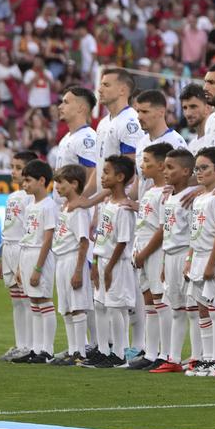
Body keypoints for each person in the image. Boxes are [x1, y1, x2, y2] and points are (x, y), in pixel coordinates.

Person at [128, 141, 177, 370]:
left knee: (160, 300)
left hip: (156, 252)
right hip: (143, 251)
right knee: (149, 300)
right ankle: (150, 351)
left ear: (160, 166)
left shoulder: (166, 194)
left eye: (147, 161)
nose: (142, 165)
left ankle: (166, 352)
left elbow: (162, 228)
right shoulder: (148, 191)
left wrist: (146, 252)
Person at [187, 147, 215, 378]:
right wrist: (190, 259)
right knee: (201, 309)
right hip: (198, 257)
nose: (199, 172)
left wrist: (211, 264)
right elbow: (195, 232)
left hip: (213, 258)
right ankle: (207, 357)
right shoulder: (199, 198)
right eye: (197, 168)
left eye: (204, 168)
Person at [92, 154, 138, 368]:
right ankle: (102, 350)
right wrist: (95, 262)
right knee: (99, 305)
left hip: (117, 264)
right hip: (101, 260)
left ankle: (119, 353)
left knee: (116, 307)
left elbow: (122, 241)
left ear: (120, 177)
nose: (102, 176)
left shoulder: (124, 208)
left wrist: (109, 267)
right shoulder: (106, 203)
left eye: (107, 172)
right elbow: (101, 234)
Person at [153, 149, 196, 374]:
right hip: (169, 255)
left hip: (184, 255)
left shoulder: (191, 197)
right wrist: (162, 262)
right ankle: (174, 357)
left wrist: (189, 259)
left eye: (171, 167)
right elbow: (166, 230)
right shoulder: (168, 196)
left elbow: (193, 232)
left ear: (186, 171)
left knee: (192, 308)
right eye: (165, 166)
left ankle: (199, 357)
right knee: (176, 308)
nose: (165, 171)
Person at [14, 159, 58, 364]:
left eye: (28, 181)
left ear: (42, 180)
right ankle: (36, 348)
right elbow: (27, 234)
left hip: (40, 256)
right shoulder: (31, 204)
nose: (24, 185)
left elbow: (48, 238)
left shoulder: (49, 205)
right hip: (27, 254)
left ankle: (47, 350)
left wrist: (38, 268)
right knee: (33, 302)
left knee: (44, 301)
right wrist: (20, 267)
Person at [0, 150, 37, 362]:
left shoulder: (31, 198)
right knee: (16, 301)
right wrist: (2, 256)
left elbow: (28, 230)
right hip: (9, 249)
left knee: (27, 300)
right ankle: (20, 344)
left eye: (18, 168)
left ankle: (30, 346)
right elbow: (8, 228)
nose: (13, 172)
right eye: (12, 167)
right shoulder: (12, 196)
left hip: (23, 249)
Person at [51, 165, 94, 366]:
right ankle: (72, 349)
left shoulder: (78, 211)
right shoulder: (65, 208)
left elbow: (83, 241)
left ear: (74, 184)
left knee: (77, 307)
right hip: (61, 260)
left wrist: (78, 270)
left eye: (61, 182)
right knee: (66, 308)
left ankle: (80, 352)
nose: (57, 186)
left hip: (72, 259)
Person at [134, 89, 188, 196]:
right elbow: (139, 182)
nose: (139, 117)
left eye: (145, 112)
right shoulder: (141, 142)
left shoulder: (176, 142)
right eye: (138, 111)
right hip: (145, 210)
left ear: (161, 112)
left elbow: (185, 182)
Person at [95, 68, 143, 186]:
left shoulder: (130, 122)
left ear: (122, 90)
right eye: (101, 85)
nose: (100, 90)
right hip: (103, 201)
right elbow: (98, 167)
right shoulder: (103, 122)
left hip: (119, 200)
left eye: (106, 85)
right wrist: (89, 200)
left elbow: (130, 173)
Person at [52, 87, 97, 190]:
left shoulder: (87, 138)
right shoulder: (66, 137)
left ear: (80, 108)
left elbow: (91, 178)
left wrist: (78, 202)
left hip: (79, 205)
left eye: (66, 102)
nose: (60, 107)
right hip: (64, 204)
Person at [181, 84, 215, 155]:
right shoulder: (191, 146)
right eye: (185, 108)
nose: (188, 114)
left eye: (193, 107)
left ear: (207, 108)